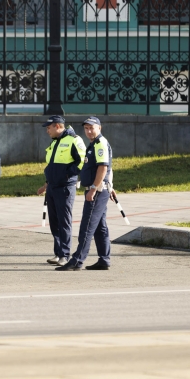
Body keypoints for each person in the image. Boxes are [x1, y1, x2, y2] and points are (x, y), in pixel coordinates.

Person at [56, 116, 112, 271]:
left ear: (99, 128)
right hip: (100, 189)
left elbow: (103, 168)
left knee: (87, 226)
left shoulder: (100, 144)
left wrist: (93, 188)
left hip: (97, 191)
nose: (88, 131)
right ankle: (104, 259)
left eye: (91, 128)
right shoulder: (94, 144)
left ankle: (77, 261)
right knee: (100, 227)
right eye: (86, 128)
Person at [36, 115, 86, 266]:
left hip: (65, 187)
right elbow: (52, 166)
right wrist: (46, 184)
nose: (47, 131)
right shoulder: (55, 142)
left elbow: (82, 161)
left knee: (64, 222)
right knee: (54, 222)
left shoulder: (74, 140)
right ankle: (58, 253)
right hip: (52, 186)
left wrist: (67, 174)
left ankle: (65, 255)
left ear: (58, 126)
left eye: (49, 127)